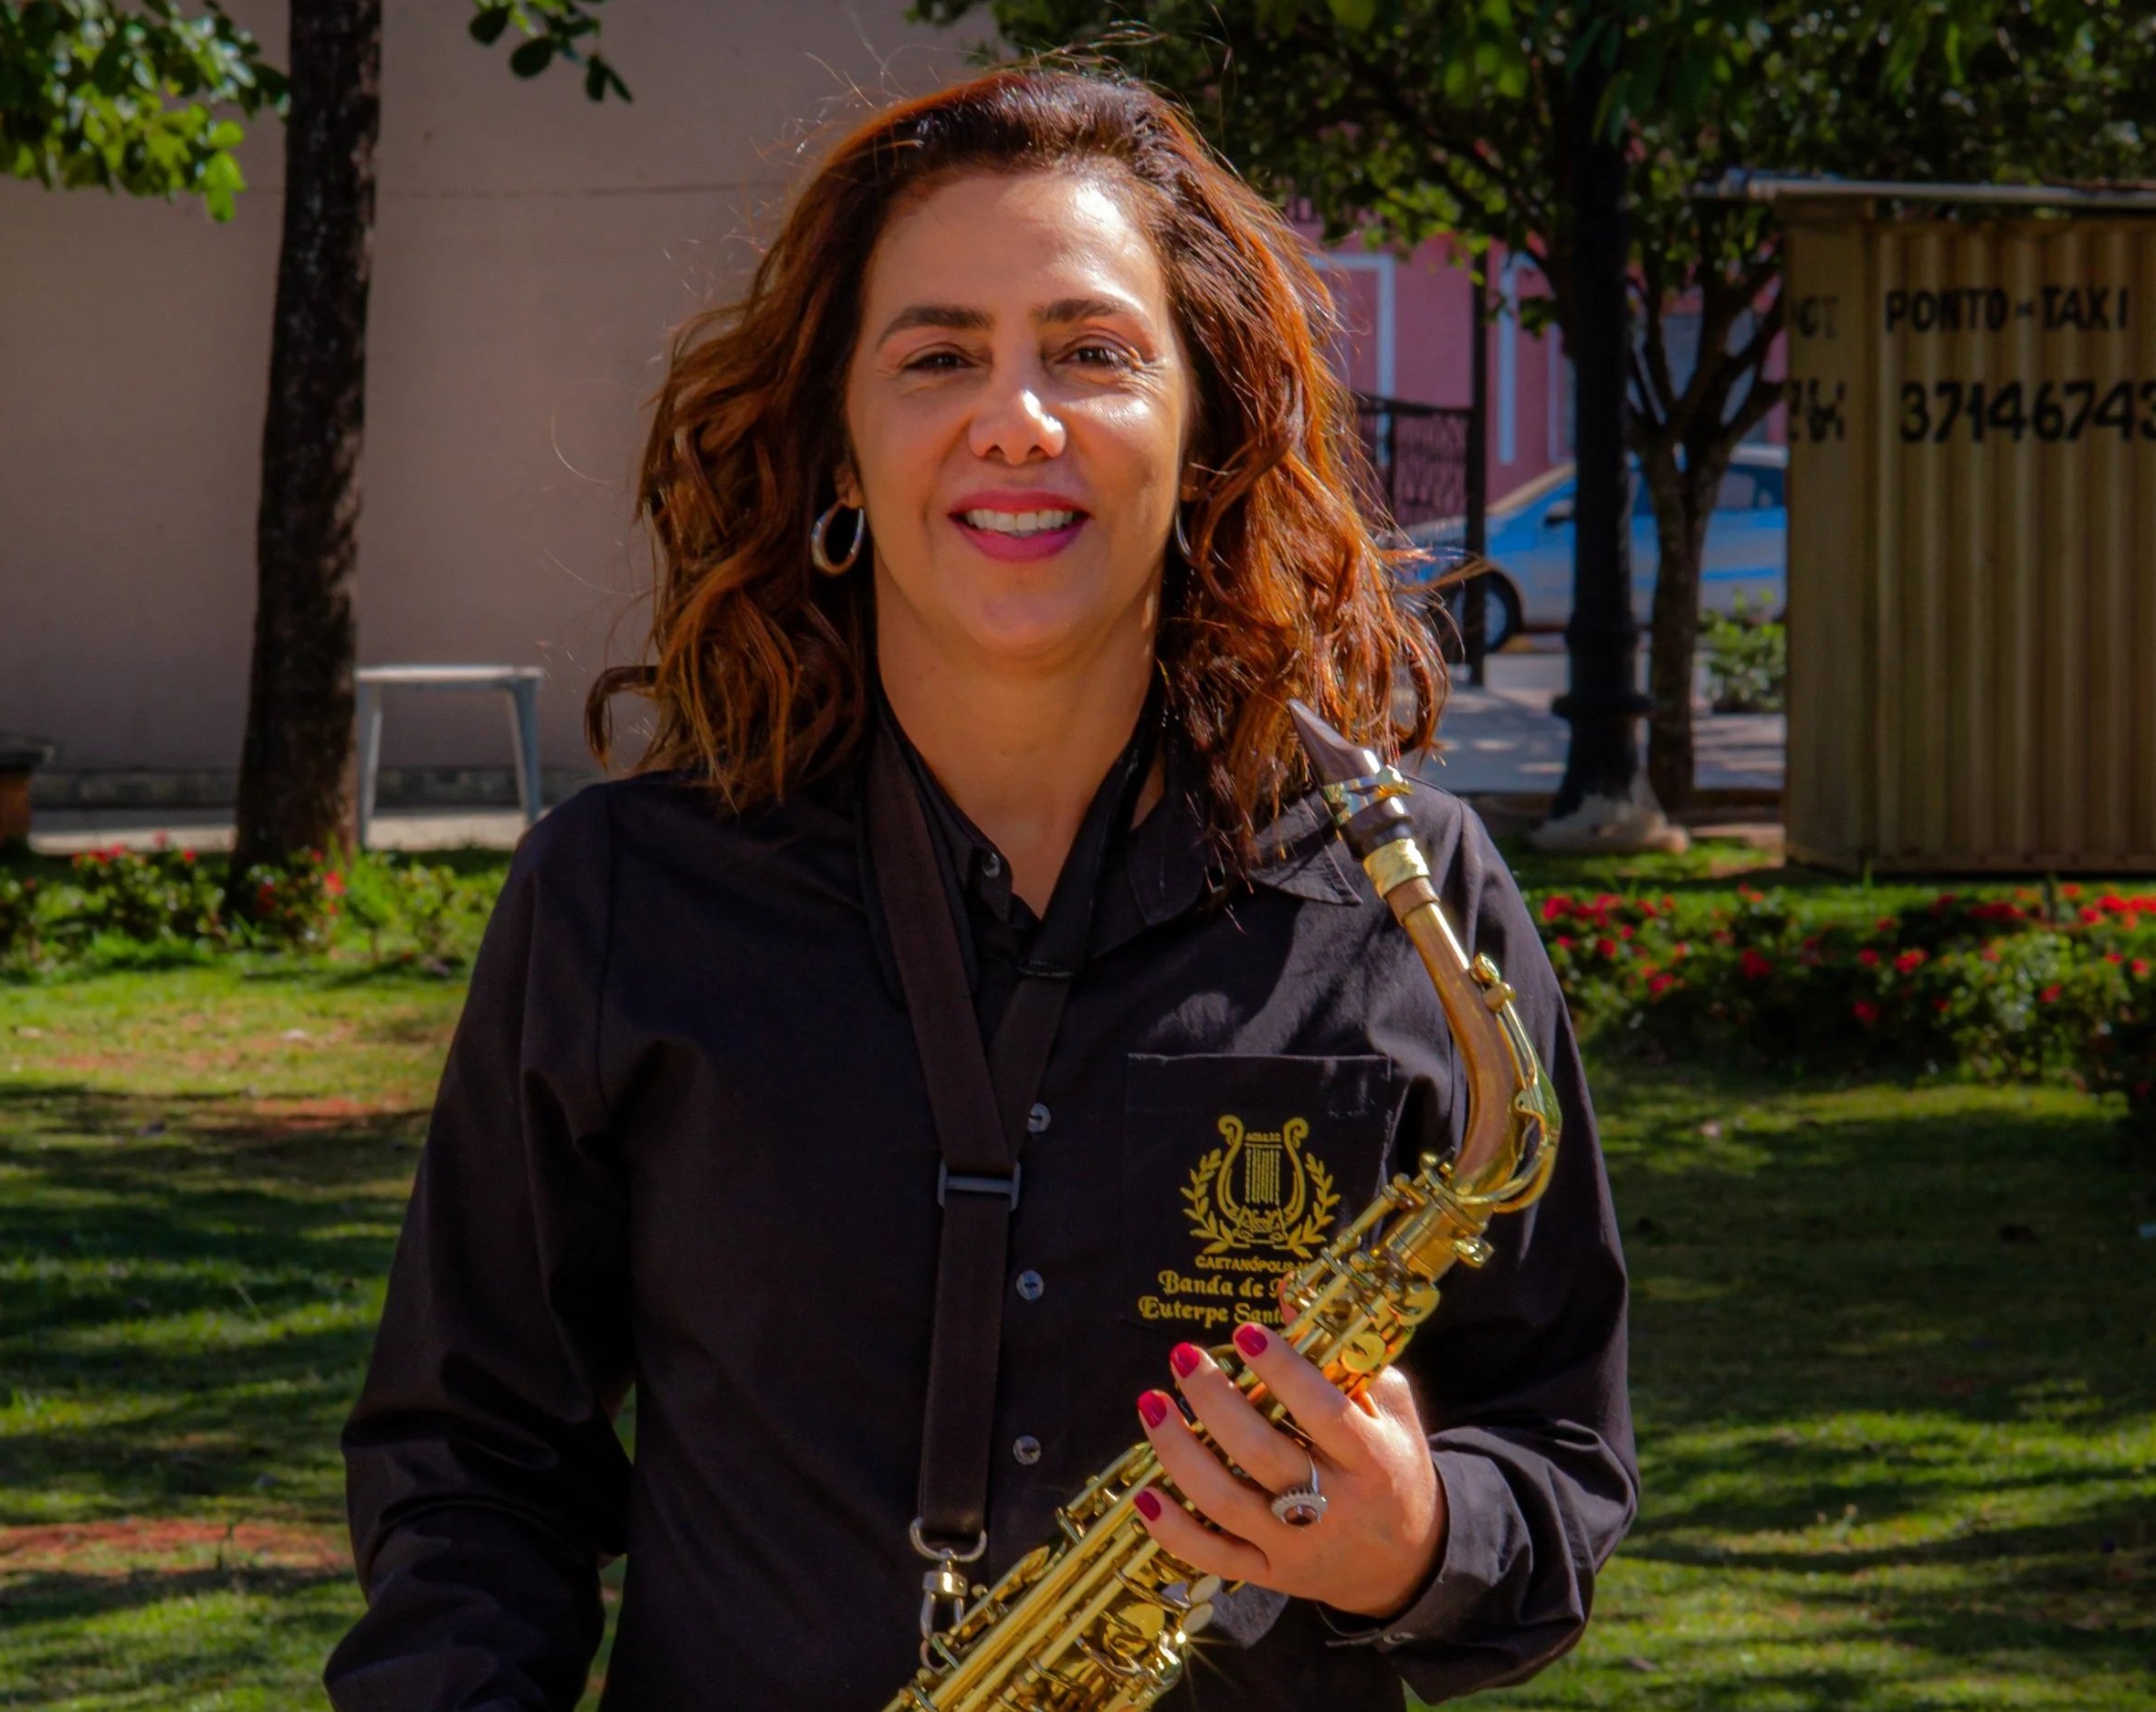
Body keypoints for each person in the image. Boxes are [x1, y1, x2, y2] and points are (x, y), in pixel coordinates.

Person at [325, 63, 1635, 1712]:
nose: (1017, 417)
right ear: (841, 452)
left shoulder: (1408, 896)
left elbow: (1564, 1457)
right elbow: (471, 1462)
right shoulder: (619, 897)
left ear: (1205, 425)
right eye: (940, 354)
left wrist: (1421, 1535)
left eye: (1093, 353)